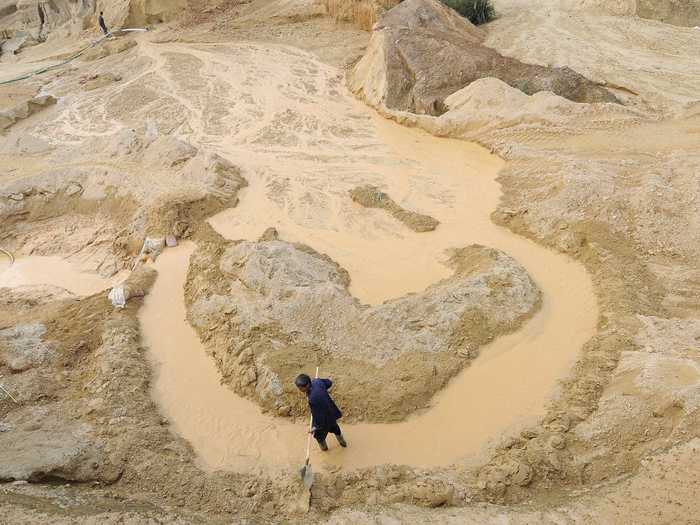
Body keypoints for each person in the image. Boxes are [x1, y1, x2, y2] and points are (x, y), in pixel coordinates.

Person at [295, 373, 347, 451]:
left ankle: (324, 449)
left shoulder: (312, 399)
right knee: (336, 429)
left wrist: (315, 427)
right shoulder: (317, 382)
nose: (300, 390)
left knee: (319, 437)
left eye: (300, 388)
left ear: (307, 385)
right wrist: (321, 389)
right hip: (331, 413)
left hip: (324, 420)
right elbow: (329, 383)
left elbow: (318, 417)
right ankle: (343, 443)